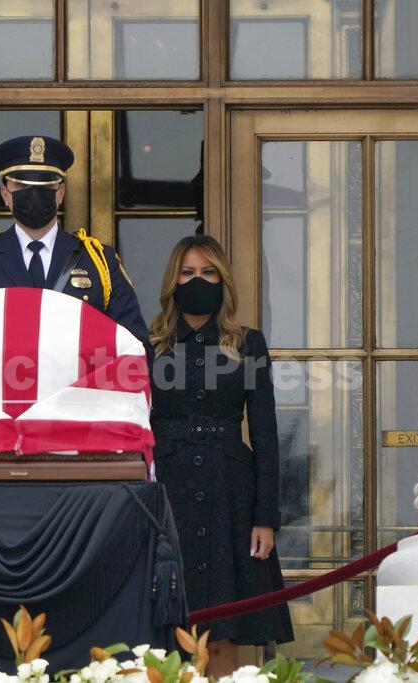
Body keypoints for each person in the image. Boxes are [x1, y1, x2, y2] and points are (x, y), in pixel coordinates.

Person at [149, 234, 293, 676]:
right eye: (188, 272)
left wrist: (265, 516)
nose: (198, 280)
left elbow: (265, 433)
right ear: (173, 280)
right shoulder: (148, 344)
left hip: (230, 492)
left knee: (224, 631)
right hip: (166, 490)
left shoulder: (247, 343)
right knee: (167, 629)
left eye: (208, 272)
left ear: (223, 280)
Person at [0, 135, 149, 349]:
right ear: (5, 194)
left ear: (61, 193)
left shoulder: (99, 262)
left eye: (45, 186)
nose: (34, 194)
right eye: (22, 186)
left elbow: (134, 346)